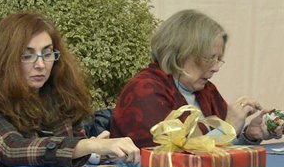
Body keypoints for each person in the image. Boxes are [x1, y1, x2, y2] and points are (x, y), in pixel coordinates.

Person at [0, 12, 139, 167]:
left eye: (47, 54)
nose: (41, 65)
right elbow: (12, 149)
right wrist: (89, 145)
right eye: (27, 56)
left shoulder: (60, 92)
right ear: (5, 60)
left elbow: (73, 148)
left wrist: (99, 153)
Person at [111, 9, 274, 148]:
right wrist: (228, 127)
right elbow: (168, 157)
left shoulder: (207, 91)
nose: (216, 68)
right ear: (181, 53)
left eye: (219, 59)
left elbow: (222, 151)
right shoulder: (145, 90)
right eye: (210, 58)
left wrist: (248, 135)